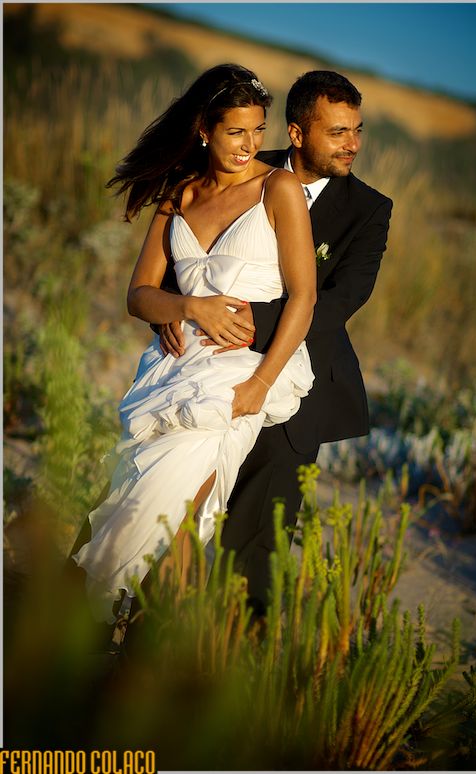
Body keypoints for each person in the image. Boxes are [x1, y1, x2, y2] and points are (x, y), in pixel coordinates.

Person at [72, 64, 316, 624]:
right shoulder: (178, 196)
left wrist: (260, 383)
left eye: (258, 130)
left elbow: (303, 298)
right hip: (172, 370)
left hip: (239, 375)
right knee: (136, 495)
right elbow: (139, 296)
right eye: (236, 131)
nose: (250, 144)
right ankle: (116, 627)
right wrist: (187, 306)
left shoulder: (278, 189)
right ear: (205, 129)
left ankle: (127, 624)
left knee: (181, 503)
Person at [157, 70, 393, 616]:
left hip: (296, 386)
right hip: (199, 369)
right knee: (169, 505)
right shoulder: (236, 166)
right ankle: (144, 637)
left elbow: (341, 299)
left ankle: (235, 667)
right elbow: (187, 257)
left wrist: (248, 324)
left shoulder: (369, 210)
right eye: (337, 132)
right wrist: (172, 311)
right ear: (294, 132)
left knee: (257, 537)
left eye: (357, 130)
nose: (352, 144)